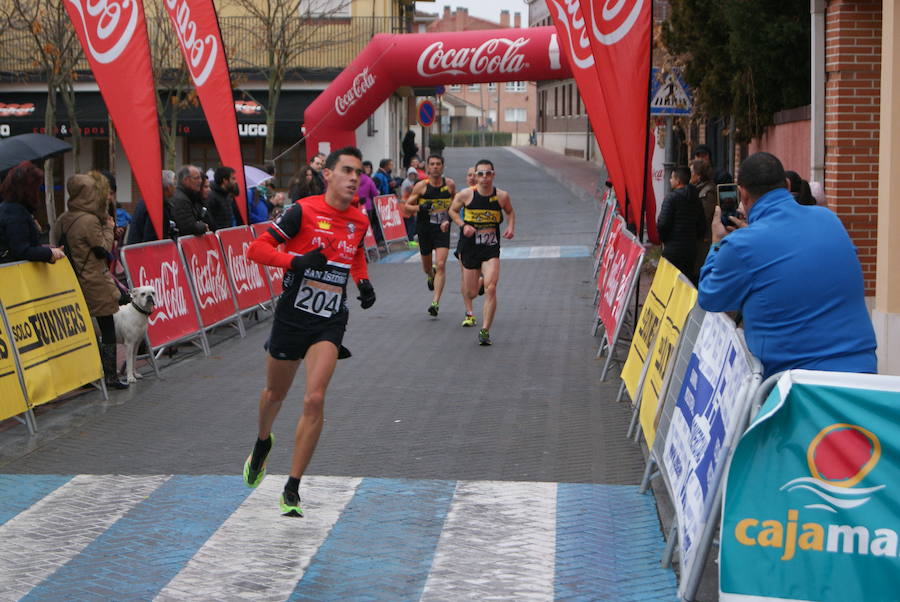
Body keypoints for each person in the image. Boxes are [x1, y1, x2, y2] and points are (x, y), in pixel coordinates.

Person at [243, 146, 376, 517]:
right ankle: (262, 441)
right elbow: (256, 249)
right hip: (292, 316)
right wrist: (296, 261)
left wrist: (362, 282)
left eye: (359, 173)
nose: (355, 178)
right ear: (328, 174)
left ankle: (292, 487)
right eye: (347, 171)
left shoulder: (359, 219)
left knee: (314, 398)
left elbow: (356, 252)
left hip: (329, 320)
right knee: (275, 393)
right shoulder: (303, 210)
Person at [698, 152, 877, 378]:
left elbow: (710, 296)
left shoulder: (740, 246)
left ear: (742, 194)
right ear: (787, 184)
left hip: (796, 387)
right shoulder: (828, 219)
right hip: (861, 373)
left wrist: (717, 243)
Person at [51, 172, 128, 389]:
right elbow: (102, 248)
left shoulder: (63, 218)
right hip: (95, 279)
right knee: (106, 327)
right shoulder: (90, 220)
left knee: (83, 328)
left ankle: (87, 374)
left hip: (73, 279)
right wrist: (109, 227)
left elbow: (55, 241)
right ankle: (110, 375)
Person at [449, 159, 515, 346]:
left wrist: (510, 226)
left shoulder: (501, 196)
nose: (484, 178)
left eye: (488, 173)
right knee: (471, 293)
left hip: (490, 248)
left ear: (493, 175)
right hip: (470, 248)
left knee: (492, 288)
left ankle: (485, 330)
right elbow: (453, 211)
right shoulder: (466, 195)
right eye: (480, 174)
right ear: (475, 176)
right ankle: (479, 283)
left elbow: (510, 212)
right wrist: (463, 225)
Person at [405, 155, 456, 316]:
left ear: (442, 167)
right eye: (432, 164)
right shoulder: (421, 186)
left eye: (438, 164)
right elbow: (406, 206)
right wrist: (420, 207)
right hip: (425, 229)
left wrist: (449, 217)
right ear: (427, 167)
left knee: (440, 264)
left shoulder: (449, 184)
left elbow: (455, 203)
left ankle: (435, 303)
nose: (435, 167)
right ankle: (430, 275)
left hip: (442, 228)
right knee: (427, 267)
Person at [0, 161, 65, 264]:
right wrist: (49, 253)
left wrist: (44, 249)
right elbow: (21, 251)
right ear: (28, 189)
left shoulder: (8, 208)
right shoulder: (15, 212)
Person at [657, 166, 706, 284]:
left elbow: (663, 224)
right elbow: (702, 224)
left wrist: (665, 240)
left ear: (678, 181)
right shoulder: (696, 198)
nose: (669, 180)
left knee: (669, 283)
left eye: (672, 178)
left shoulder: (671, 198)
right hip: (690, 249)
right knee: (685, 284)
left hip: (672, 249)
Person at [127, 171, 178, 244]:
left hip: (135, 248)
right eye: (175, 184)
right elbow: (151, 238)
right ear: (169, 188)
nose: (176, 188)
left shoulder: (147, 200)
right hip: (142, 251)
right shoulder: (158, 207)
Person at [171, 165, 211, 235]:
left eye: (200, 178)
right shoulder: (181, 200)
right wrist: (203, 227)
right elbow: (189, 227)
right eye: (196, 178)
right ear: (186, 180)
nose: (200, 181)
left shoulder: (191, 197)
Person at [205, 166, 244, 231]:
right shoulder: (212, 197)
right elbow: (210, 221)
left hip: (226, 236)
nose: (236, 181)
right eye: (233, 178)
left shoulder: (227, 196)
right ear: (225, 180)